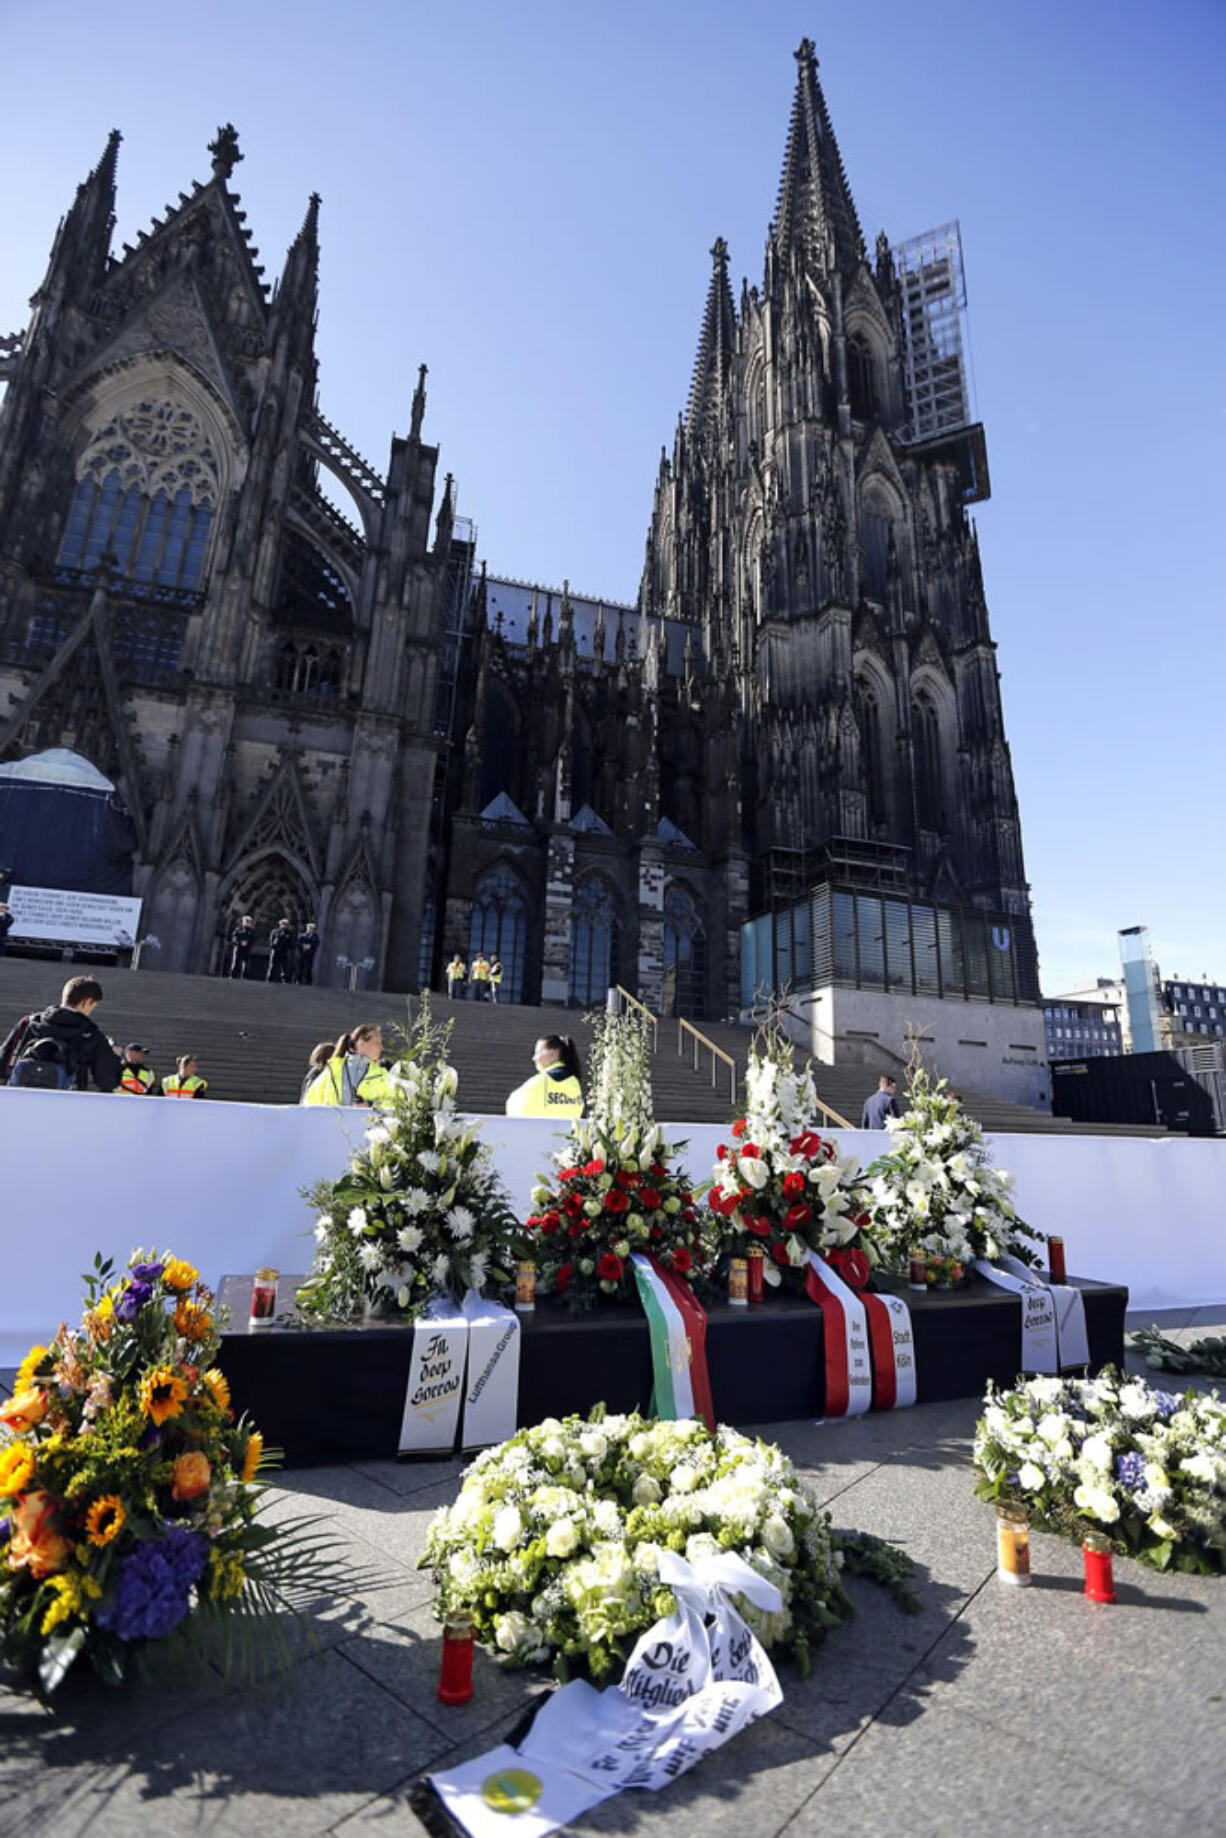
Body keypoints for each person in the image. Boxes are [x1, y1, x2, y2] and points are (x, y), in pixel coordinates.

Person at [1, 976, 122, 1092]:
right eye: (93, 1006)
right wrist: (115, 1056)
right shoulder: (91, 1033)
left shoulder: (29, 1022)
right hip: (65, 1103)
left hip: (20, 1098)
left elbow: (3, 1061)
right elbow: (107, 1081)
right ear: (86, 1002)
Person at [302, 1023, 394, 1108]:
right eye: (377, 1042)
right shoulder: (331, 1071)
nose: (381, 1047)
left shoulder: (383, 1074)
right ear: (362, 1043)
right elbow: (309, 1104)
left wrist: (370, 1105)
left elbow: (397, 1104)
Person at [504, 1035, 584, 1118]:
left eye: (537, 1052)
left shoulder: (542, 1080)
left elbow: (515, 1106)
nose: (533, 1058)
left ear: (553, 1054)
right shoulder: (574, 1082)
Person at [267, 917, 295, 984]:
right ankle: (270, 979)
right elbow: (271, 941)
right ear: (280, 924)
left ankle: (284, 980)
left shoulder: (289, 933)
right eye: (283, 924)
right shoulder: (275, 931)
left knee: (284, 967)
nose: (284, 925)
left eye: (286, 924)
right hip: (276, 951)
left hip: (284, 951)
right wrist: (274, 945)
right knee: (272, 966)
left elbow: (292, 943)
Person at [229, 915, 255, 979]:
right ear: (243, 922)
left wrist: (247, 943)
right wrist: (239, 942)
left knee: (246, 963)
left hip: (247, 948)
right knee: (235, 962)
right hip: (238, 947)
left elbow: (253, 939)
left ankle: (244, 976)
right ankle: (233, 976)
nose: (247, 923)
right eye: (246, 921)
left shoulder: (251, 931)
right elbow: (234, 938)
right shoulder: (238, 929)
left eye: (248, 921)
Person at [297, 921, 321, 986]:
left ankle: (308, 982)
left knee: (308, 968)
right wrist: (303, 946)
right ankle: (298, 980)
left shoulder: (315, 937)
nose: (310, 929)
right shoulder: (302, 935)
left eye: (312, 928)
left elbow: (316, 943)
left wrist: (309, 946)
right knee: (300, 967)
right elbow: (298, 942)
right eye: (309, 928)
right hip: (302, 954)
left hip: (310, 954)